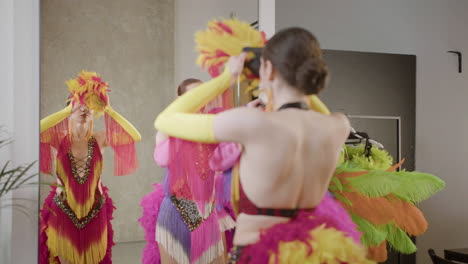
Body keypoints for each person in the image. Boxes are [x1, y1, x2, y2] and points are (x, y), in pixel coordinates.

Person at [155, 28, 374, 263]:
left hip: (259, 252)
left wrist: (226, 78)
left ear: (268, 69)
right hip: (313, 251)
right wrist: (290, 78)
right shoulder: (337, 125)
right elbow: (316, 109)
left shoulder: (252, 123)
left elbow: (165, 119)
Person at [39, 71, 141, 264]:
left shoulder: (100, 139)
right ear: (70, 109)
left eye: (90, 107)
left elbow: (134, 136)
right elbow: (36, 129)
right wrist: (67, 111)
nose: (85, 111)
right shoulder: (57, 138)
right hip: (63, 209)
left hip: (95, 210)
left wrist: (109, 109)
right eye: (80, 106)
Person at [139, 79, 239, 264]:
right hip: (176, 214)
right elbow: (162, 159)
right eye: (194, 96)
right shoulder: (167, 131)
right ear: (181, 100)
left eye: (203, 95)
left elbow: (226, 159)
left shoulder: (212, 132)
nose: (200, 101)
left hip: (207, 215)